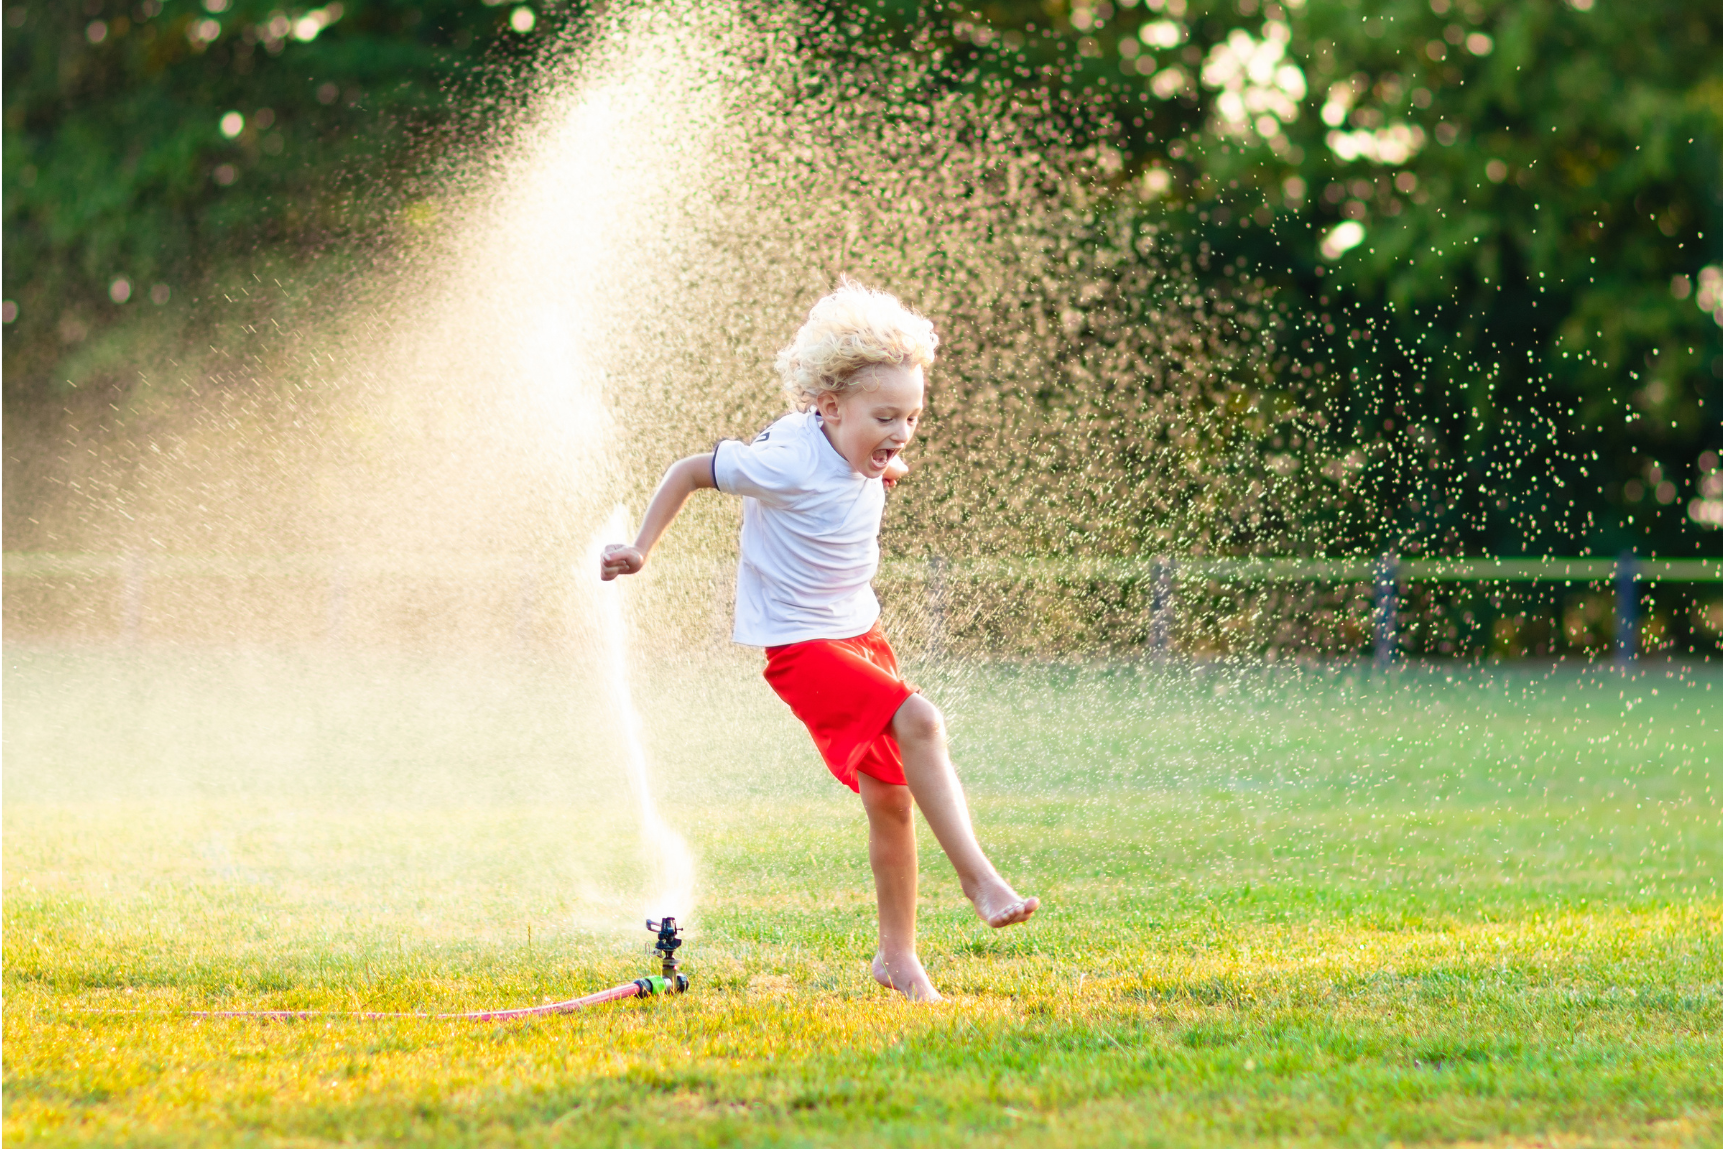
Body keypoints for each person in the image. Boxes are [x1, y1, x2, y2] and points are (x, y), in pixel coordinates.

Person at [600, 279, 1037, 1002]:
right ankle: (978, 879)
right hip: (802, 647)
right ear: (828, 407)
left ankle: (897, 957)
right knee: (922, 719)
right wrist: (641, 549)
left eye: (911, 417)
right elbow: (688, 471)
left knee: (890, 798)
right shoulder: (784, 458)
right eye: (885, 417)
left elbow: (863, 471)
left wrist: (881, 460)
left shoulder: (855, 449)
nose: (899, 433)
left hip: (859, 633)